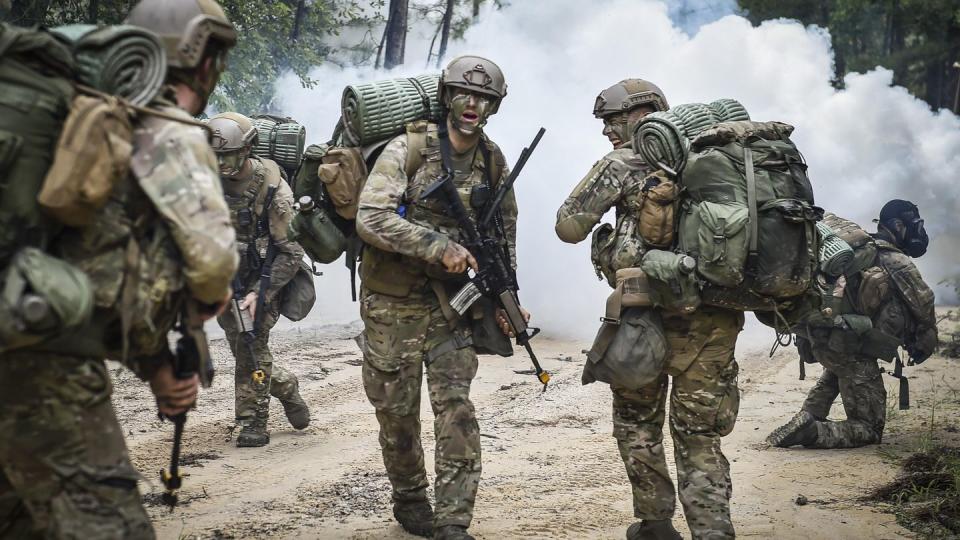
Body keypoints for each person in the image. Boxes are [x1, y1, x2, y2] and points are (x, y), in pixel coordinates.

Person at [0, 0, 238, 536]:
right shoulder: (163, 128)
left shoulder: (70, 120)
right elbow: (212, 257)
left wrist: (155, 368)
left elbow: (87, 274)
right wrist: (208, 296)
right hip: (42, 370)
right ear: (199, 57)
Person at [556, 79, 743, 540]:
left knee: (637, 421)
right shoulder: (723, 163)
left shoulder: (622, 163)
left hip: (644, 319)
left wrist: (606, 235)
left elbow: (568, 225)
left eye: (613, 121)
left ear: (644, 113)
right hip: (713, 322)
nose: (607, 132)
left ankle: (656, 524)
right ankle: (712, 529)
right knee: (700, 433)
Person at [355, 55, 520, 540]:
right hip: (393, 305)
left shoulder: (492, 159)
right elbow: (371, 217)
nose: (474, 105)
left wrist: (507, 298)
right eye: (465, 95)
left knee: (456, 409)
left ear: (493, 106)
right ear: (448, 96)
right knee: (397, 414)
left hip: (453, 308)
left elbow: (502, 238)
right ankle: (409, 497)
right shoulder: (407, 149)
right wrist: (436, 245)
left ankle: (453, 520)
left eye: (485, 99)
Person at [768, 200, 937, 448]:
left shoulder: (860, 250)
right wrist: (926, 340)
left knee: (840, 370)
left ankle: (809, 416)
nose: (918, 232)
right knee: (868, 427)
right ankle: (814, 432)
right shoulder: (896, 260)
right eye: (915, 225)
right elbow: (924, 303)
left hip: (825, 336)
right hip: (846, 343)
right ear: (899, 225)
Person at [206, 111, 311, 448]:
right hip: (225, 275)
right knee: (242, 346)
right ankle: (285, 385)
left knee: (252, 345)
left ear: (247, 150)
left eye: (228, 155)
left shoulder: (273, 191)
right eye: (215, 156)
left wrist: (259, 292)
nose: (221, 163)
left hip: (265, 276)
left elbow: (291, 252)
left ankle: (253, 422)